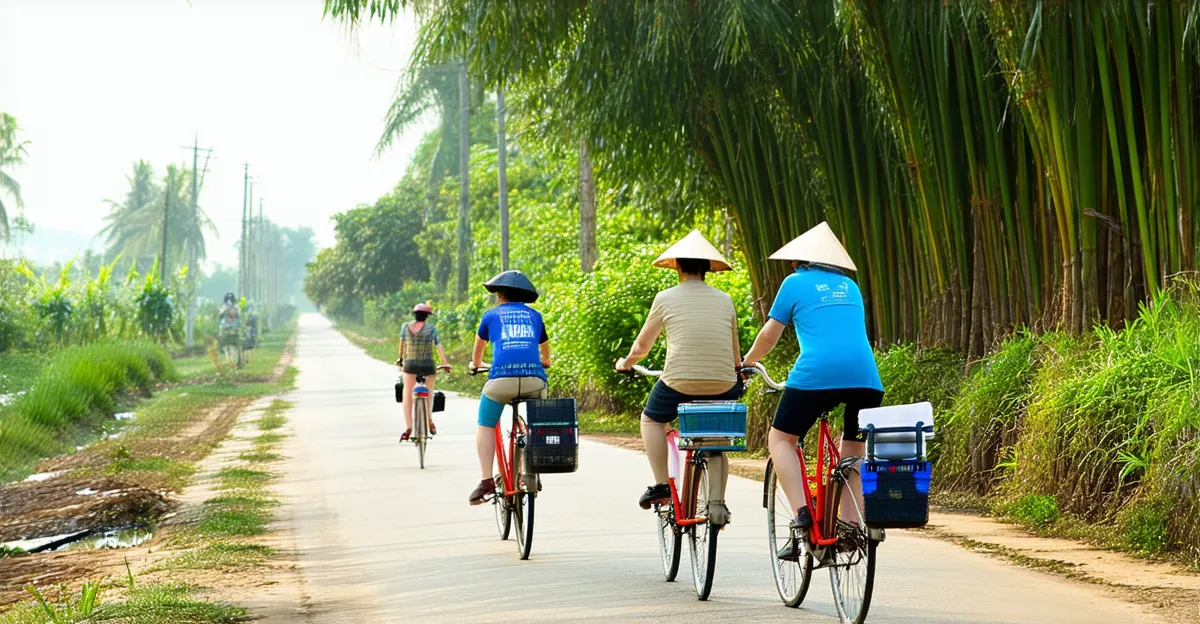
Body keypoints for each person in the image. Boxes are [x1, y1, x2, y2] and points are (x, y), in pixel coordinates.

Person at [740, 221, 884, 560]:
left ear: (796, 261)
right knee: (853, 452)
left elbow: (769, 335)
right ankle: (850, 527)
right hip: (867, 379)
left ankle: (802, 514)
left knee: (781, 439)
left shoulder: (794, 282)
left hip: (817, 374)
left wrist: (747, 362)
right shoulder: (849, 286)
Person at [614, 230, 742, 524]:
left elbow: (641, 347)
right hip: (723, 382)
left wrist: (626, 363)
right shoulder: (725, 300)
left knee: (652, 419)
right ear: (708, 269)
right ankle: (717, 504)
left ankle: (662, 485)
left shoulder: (666, 297)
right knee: (715, 441)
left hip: (678, 381)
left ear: (678, 267)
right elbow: (736, 356)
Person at [468, 271, 551, 505]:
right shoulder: (535, 316)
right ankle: (533, 469)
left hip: (500, 382)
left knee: (485, 423)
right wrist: (543, 361)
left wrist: (476, 365)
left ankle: (486, 482)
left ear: (500, 295)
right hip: (534, 380)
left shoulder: (490, 316)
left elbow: (478, 354)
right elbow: (545, 352)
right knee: (538, 421)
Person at [398, 302, 451, 441]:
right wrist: (444, 363)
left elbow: (401, 347)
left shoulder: (405, 327)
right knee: (430, 393)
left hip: (410, 365)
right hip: (428, 365)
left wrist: (400, 359)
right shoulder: (431, 329)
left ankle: (409, 427)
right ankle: (429, 420)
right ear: (427, 316)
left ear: (415, 315)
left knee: (407, 394)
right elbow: (439, 347)